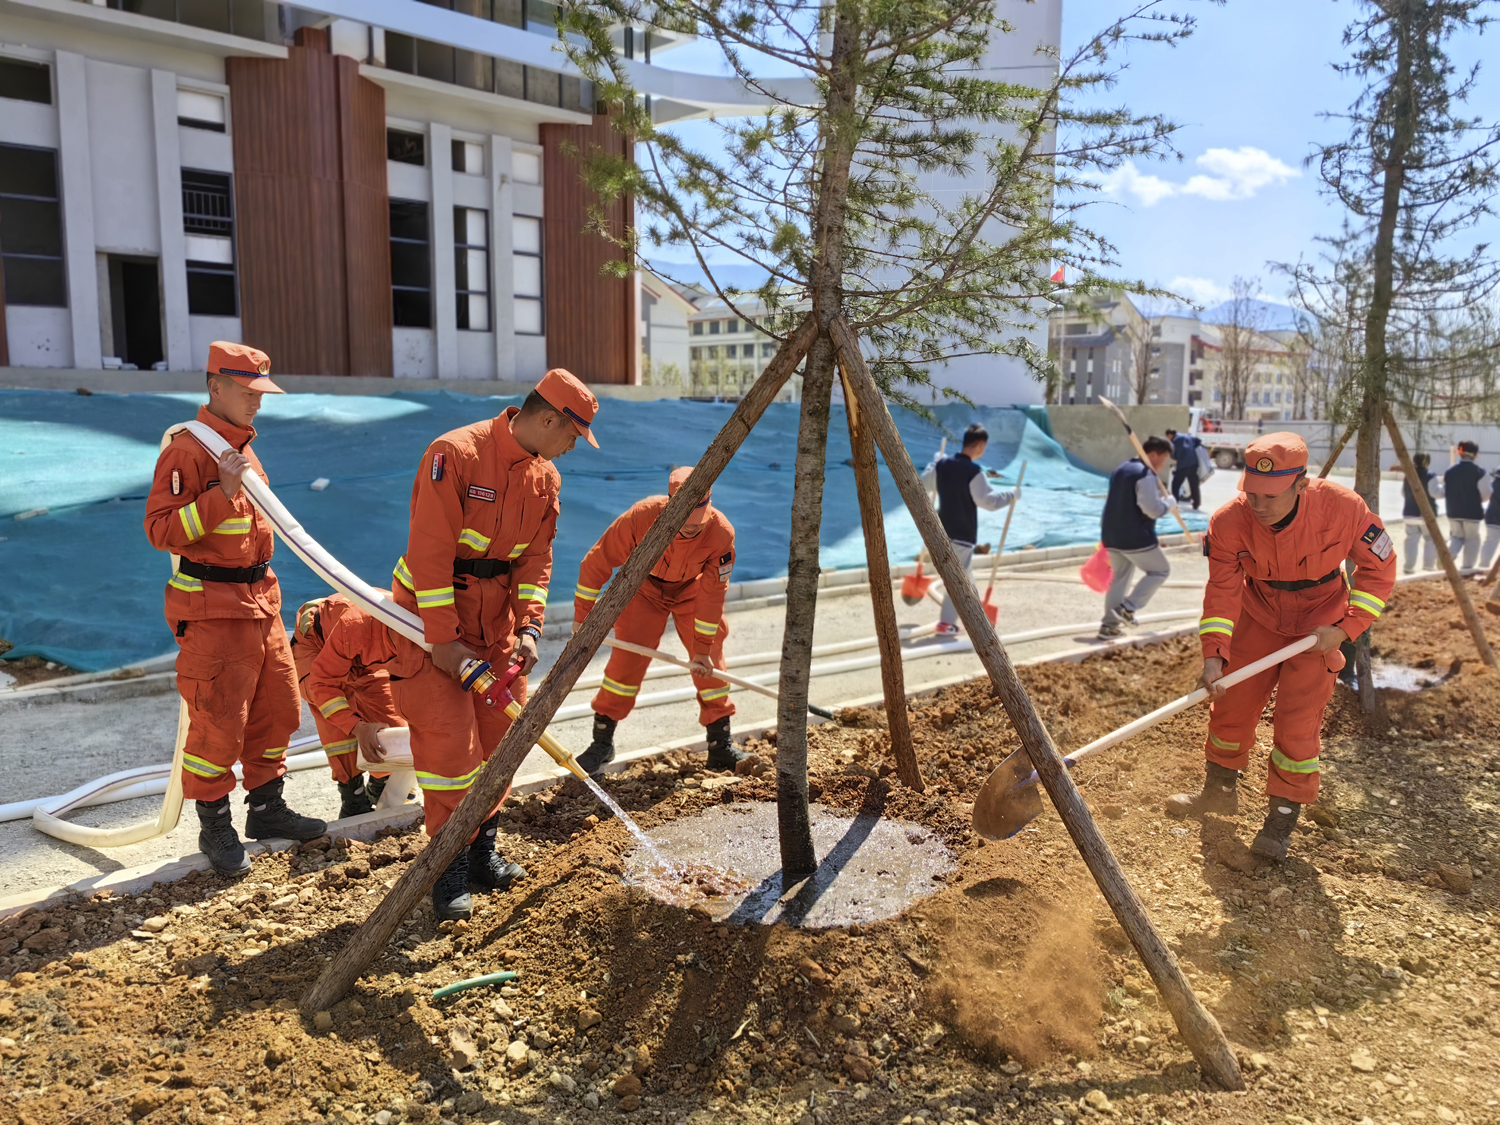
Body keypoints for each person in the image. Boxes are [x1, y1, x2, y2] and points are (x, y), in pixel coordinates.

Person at [389, 368, 598, 920]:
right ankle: (446, 871)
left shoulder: (545, 477)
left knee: (500, 745)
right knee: (449, 754)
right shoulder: (454, 453)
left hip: (495, 626)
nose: (573, 446)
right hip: (431, 622)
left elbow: (534, 560)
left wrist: (529, 626)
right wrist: (443, 641)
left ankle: (482, 854)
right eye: (572, 434)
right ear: (549, 418)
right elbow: (430, 551)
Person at [1168, 433, 1396, 862]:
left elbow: (1379, 569)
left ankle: (1280, 821)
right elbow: (1221, 591)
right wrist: (1215, 654)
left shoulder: (1345, 509)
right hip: (1260, 616)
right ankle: (1218, 793)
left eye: (1271, 494)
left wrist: (1346, 628)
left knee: (1297, 722)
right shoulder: (1228, 522)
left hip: (1320, 625)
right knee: (1230, 703)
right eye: (1251, 492)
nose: (1259, 504)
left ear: (1301, 484)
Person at [143, 342, 326, 877]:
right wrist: (220, 494)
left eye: (260, 393)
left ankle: (266, 809)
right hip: (213, 608)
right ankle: (214, 822)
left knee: (279, 709)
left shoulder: (239, 445)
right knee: (219, 721)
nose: (257, 403)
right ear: (214, 387)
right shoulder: (188, 449)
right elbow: (161, 531)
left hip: (258, 602)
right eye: (247, 392)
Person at [572, 466, 752, 776]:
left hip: (692, 590)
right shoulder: (641, 517)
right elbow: (596, 563)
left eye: (698, 523)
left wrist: (702, 648)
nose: (692, 529)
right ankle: (602, 742)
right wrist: (582, 618)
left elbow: (712, 594)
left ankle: (720, 744)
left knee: (710, 664)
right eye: (685, 523)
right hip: (644, 587)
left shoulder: (722, 533)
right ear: (670, 506)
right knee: (625, 662)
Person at [292, 594, 401, 819]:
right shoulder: (355, 627)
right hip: (318, 644)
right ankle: (352, 796)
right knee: (337, 722)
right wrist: (357, 727)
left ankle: (381, 785)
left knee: (392, 726)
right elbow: (323, 686)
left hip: (366, 653)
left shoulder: (416, 629)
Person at [921, 424, 1016, 635]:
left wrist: (934, 463)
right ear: (981, 445)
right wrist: (1011, 495)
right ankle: (946, 623)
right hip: (961, 534)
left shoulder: (943, 465)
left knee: (965, 578)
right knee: (959, 581)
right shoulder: (974, 472)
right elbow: (988, 501)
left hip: (940, 532)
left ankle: (977, 621)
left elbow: (924, 484)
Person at [1097, 436, 1176, 640]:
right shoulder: (1144, 474)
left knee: (1120, 578)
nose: (1164, 464)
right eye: (1164, 458)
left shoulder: (1122, 468)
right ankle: (1128, 608)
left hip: (1111, 534)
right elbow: (1152, 509)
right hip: (1135, 537)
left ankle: (1109, 626)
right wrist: (1169, 503)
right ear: (1153, 454)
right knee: (1160, 570)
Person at [1443, 440, 1490, 569]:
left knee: (1456, 536)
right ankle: (1467, 567)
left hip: (1453, 511)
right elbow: (1486, 494)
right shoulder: (1480, 472)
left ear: (1460, 452)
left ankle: (1446, 557)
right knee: (1472, 539)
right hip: (1472, 513)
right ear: (1474, 454)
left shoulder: (1449, 471)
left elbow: (1446, 490)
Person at [1400, 452, 1440, 574]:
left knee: (1411, 539)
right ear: (1426, 461)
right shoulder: (1430, 475)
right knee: (1430, 539)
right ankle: (1428, 565)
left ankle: (1409, 566)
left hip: (1409, 513)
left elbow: (1403, 493)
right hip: (1426, 514)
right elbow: (1435, 492)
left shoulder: (1408, 475)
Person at [1166, 427, 1204, 511]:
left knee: (1175, 484)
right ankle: (1196, 504)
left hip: (1183, 466)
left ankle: (1175, 503)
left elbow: (1174, 455)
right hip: (1194, 464)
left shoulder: (1175, 441)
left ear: (1169, 435)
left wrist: (1177, 459)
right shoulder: (1189, 436)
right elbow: (1199, 441)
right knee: (1194, 485)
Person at [1483, 467, 1500, 569]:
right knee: (1491, 542)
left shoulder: (1493, 483)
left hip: (1492, 517)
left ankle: (1483, 567)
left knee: (1490, 542)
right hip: (1496, 518)